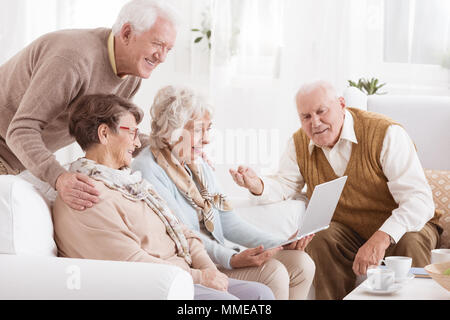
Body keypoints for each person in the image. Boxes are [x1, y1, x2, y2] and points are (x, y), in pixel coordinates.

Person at [229, 80, 442, 300]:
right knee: (321, 240)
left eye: (321, 112)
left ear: (342, 104)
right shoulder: (299, 143)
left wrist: (381, 237)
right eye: (306, 117)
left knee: (411, 241)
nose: (315, 123)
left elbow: (419, 200)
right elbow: (284, 184)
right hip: (350, 232)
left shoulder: (386, 133)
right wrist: (257, 185)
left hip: (407, 227)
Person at [52, 93, 274, 300]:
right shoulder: (84, 194)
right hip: (153, 286)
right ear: (104, 134)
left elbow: (182, 231)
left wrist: (209, 270)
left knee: (260, 294)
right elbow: (131, 262)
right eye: (132, 133)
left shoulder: (130, 183)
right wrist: (201, 277)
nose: (138, 143)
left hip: (182, 273)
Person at [132, 85, 316, 300]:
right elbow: (182, 234)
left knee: (302, 264)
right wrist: (231, 258)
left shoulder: (195, 163)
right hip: (195, 263)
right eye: (199, 130)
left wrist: (280, 242)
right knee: (274, 273)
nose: (207, 139)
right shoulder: (148, 169)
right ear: (173, 130)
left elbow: (228, 221)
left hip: (221, 254)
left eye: (208, 129)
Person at [0, 0, 178, 212]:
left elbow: (114, 133)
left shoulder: (131, 75)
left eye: (168, 48)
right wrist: (58, 177)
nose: (163, 57)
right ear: (127, 33)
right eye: (157, 44)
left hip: (19, 160)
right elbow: (20, 131)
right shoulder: (72, 61)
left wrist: (166, 147)